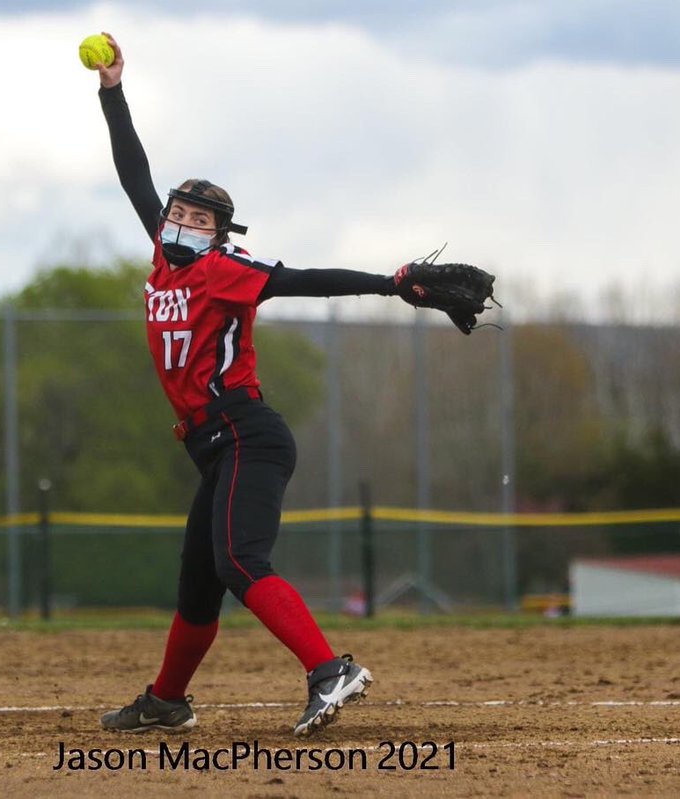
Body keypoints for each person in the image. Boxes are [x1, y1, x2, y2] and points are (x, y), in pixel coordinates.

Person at [90, 33, 432, 737]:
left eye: (200, 218)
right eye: (178, 212)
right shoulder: (164, 258)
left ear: (221, 234)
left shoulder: (224, 270)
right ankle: (168, 700)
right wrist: (112, 92)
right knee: (197, 582)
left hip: (247, 433)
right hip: (214, 447)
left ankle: (328, 668)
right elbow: (134, 175)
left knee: (241, 561)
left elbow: (306, 280)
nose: (182, 221)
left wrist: (389, 285)